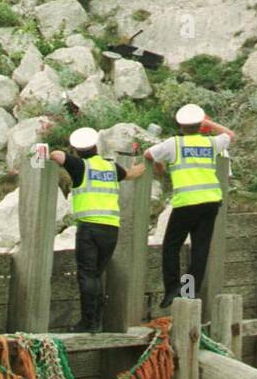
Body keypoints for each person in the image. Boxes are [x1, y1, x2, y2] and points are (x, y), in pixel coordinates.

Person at [48, 126, 145, 333]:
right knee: (97, 274)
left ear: (76, 150)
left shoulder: (80, 166)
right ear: (95, 146)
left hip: (89, 227)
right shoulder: (111, 167)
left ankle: (88, 322)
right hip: (111, 228)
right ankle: (97, 321)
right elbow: (130, 174)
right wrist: (139, 166)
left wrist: (42, 154)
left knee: (87, 275)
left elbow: (57, 155)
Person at [144, 104, 235, 308]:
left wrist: (160, 167)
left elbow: (148, 154)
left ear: (180, 125)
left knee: (171, 246)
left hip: (186, 203)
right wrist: (208, 123)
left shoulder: (173, 144)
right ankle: (189, 293)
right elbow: (229, 134)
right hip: (210, 201)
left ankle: (172, 289)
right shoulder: (210, 143)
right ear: (200, 124)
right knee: (199, 250)